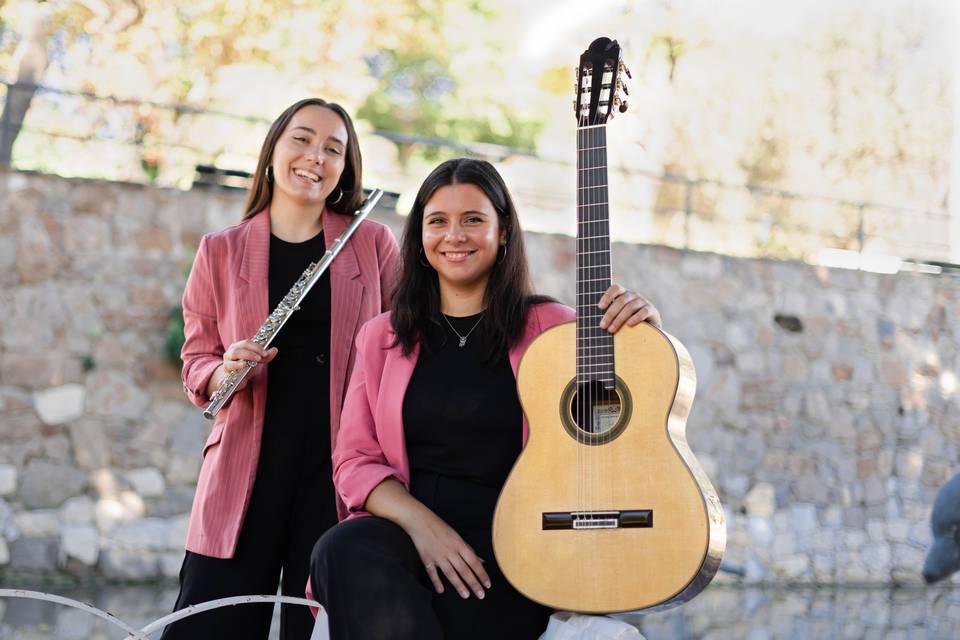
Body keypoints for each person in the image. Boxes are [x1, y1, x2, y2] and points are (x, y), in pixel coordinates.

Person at [308, 158, 661, 639]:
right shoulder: (381, 337)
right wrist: (426, 529)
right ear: (420, 238)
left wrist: (647, 335)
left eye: (473, 219)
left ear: (504, 232)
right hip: (411, 539)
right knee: (340, 548)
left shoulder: (554, 328)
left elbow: (621, 416)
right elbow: (354, 460)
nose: (455, 235)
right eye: (438, 221)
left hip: (517, 550)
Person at [163, 98, 400, 640]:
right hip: (245, 470)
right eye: (303, 139)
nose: (315, 156)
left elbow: (400, 350)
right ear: (273, 147)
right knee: (208, 626)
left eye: (332, 149)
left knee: (319, 627)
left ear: (345, 168)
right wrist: (224, 373)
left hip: (338, 470)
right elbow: (196, 359)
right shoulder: (219, 250)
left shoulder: (372, 244)